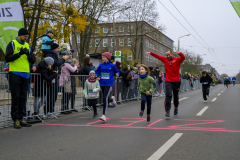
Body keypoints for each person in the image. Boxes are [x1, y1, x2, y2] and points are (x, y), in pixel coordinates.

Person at [5, 28, 36, 129]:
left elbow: (33, 59)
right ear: (20, 35)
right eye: (25, 36)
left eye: (27, 37)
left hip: (25, 74)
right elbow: (7, 58)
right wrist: (19, 54)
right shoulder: (12, 44)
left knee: (23, 97)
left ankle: (21, 118)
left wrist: (28, 55)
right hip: (15, 73)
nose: (26, 38)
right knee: (16, 97)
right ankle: (15, 119)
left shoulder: (27, 45)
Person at [145, 49, 185, 117]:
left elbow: (183, 58)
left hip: (177, 81)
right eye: (167, 55)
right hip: (168, 80)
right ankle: (167, 111)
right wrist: (151, 53)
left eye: (169, 55)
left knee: (175, 96)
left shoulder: (177, 59)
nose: (168, 56)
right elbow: (158, 56)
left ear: (172, 54)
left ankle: (176, 107)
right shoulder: (165, 59)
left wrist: (180, 53)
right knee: (168, 95)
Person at [43, 43, 70, 118]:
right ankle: (48, 112)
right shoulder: (50, 55)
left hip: (55, 77)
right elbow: (57, 64)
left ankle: (51, 111)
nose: (58, 50)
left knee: (54, 95)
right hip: (51, 78)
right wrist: (63, 59)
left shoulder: (54, 55)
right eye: (57, 48)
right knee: (50, 96)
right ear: (53, 49)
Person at [95, 52, 119, 121]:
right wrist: (97, 76)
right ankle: (112, 100)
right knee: (105, 97)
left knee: (105, 97)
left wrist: (117, 73)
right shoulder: (100, 65)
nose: (102, 58)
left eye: (104, 57)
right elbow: (97, 72)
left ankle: (104, 115)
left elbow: (117, 71)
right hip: (102, 83)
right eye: (102, 57)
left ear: (108, 58)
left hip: (109, 83)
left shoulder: (112, 65)